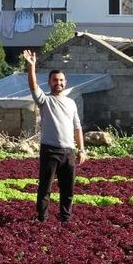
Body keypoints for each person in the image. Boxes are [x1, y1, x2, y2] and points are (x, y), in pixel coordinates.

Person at [22, 49, 86, 222]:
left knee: (68, 189)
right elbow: (33, 87)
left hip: (69, 152)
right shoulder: (45, 101)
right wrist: (31, 67)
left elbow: (77, 127)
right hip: (50, 150)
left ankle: (66, 219)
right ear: (49, 83)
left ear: (65, 82)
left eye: (61, 80)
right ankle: (42, 217)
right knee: (45, 188)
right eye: (55, 80)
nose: (58, 83)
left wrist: (81, 150)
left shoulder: (71, 103)